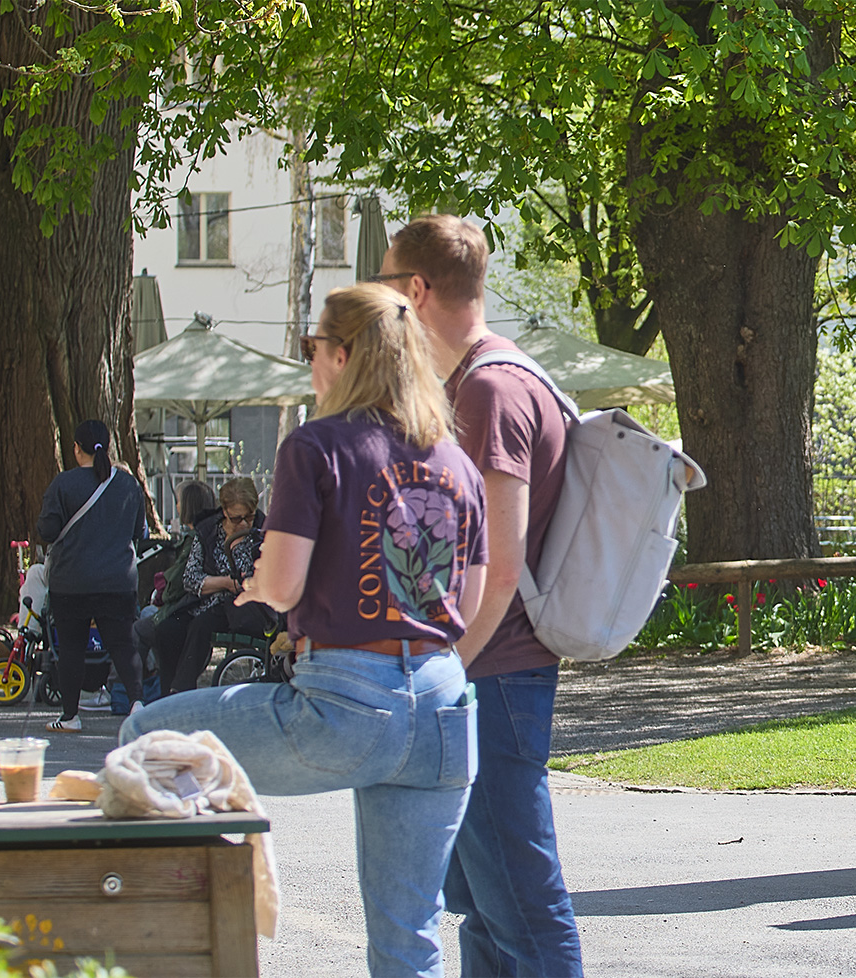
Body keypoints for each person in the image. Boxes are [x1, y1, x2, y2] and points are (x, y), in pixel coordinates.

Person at [121, 283, 485, 978]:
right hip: (444, 704)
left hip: (345, 699)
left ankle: (165, 948)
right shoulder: (455, 460)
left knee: (147, 741)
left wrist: (262, 585)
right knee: (410, 939)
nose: (309, 361)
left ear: (341, 356)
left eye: (311, 347)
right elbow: (463, 602)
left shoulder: (316, 446)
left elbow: (282, 586)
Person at [378, 214, 585, 977]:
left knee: (523, 906)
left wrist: (443, 671)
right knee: (487, 911)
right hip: (488, 673)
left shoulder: (492, 390)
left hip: (492, 674)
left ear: (417, 290)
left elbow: (498, 567)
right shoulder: (484, 380)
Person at [34, 418, 148, 733]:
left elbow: (47, 530)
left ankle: (70, 716)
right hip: (118, 580)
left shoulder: (64, 484)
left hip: (71, 580)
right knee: (123, 644)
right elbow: (140, 531)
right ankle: (137, 703)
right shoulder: (128, 484)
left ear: (76, 448)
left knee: (71, 647)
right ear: (108, 446)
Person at [149, 479, 270, 699]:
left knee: (202, 624)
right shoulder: (208, 531)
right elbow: (191, 579)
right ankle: (167, 695)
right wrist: (224, 582)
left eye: (249, 516)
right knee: (167, 629)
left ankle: (180, 690)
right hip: (205, 602)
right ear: (224, 511)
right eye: (236, 518)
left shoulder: (264, 531)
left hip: (245, 608)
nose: (243, 524)